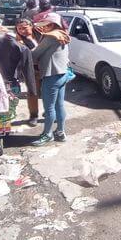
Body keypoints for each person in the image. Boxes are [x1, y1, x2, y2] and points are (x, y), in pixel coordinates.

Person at [30, 13, 71, 146]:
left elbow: (34, 55)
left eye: (45, 25)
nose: (43, 28)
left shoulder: (50, 37)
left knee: (49, 109)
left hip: (51, 76)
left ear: (52, 25)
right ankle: (60, 132)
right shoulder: (62, 34)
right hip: (62, 74)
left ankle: (47, 135)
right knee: (59, 105)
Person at [16, 18, 41, 125]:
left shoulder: (40, 35)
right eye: (19, 29)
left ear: (31, 26)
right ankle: (33, 116)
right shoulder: (20, 41)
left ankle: (50, 112)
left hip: (46, 68)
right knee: (32, 92)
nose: (22, 31)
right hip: (32, 70)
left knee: (47, 92)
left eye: (24, 28)